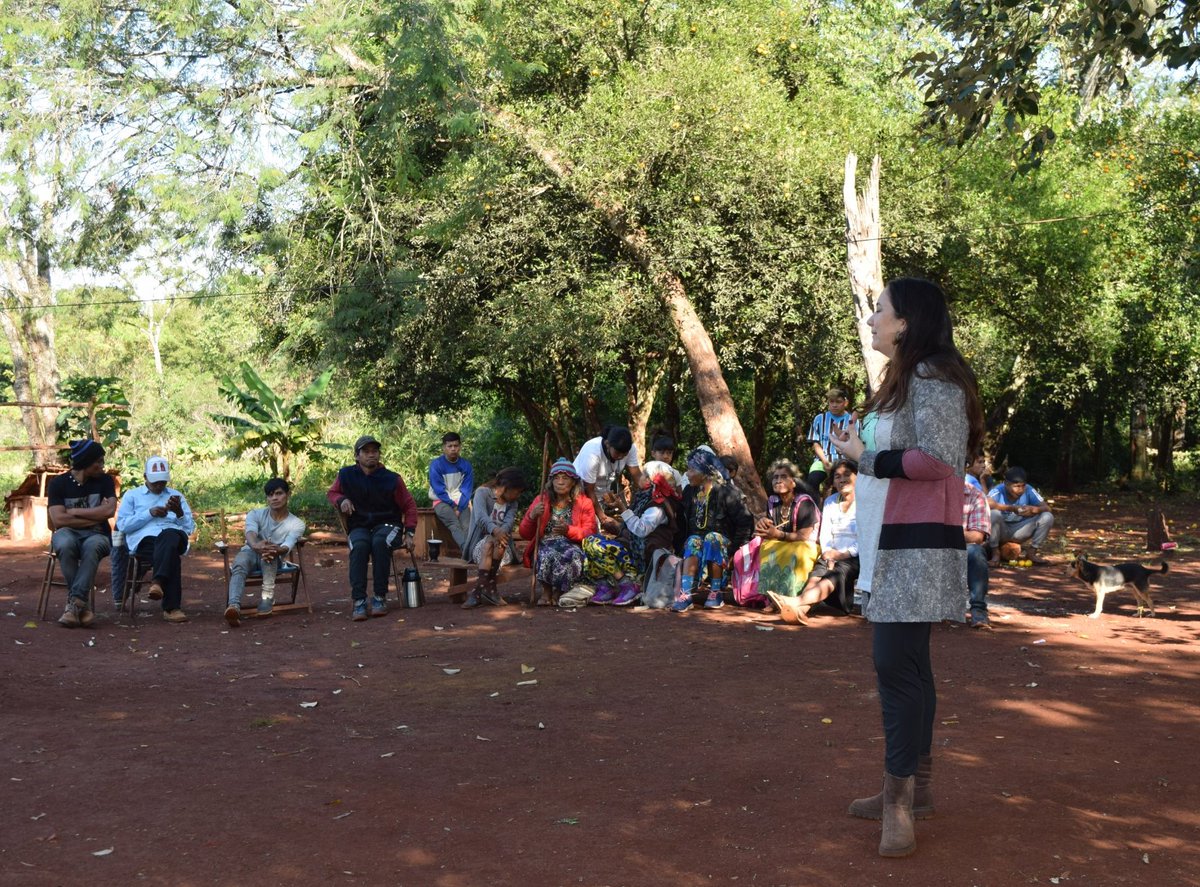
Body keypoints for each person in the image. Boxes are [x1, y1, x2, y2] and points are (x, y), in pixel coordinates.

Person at [831, 277, 984, 858]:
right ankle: (911, 792)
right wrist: (857, 451)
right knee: (909, 665)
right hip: (896, 539)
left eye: (879, 311)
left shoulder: (933, 377)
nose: (871, 320)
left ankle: (900, 803)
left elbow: (940, 460)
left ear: (906, 323)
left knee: (894, 664)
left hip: (916, 544)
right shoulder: (910, 378)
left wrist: (864, 458)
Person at [327, 435, 418, 622]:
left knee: (379, 543)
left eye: (374, 451)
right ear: (356, 456)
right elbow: (332, 492)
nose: (371, 455)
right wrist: (341, 500)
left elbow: (409, 505)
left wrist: (409, 532)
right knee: (359, 546)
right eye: (366, 452)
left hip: (388, 525)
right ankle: (359, 600)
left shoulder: (392, 479)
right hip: (359, 525)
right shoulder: (345, 475)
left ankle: (379, 597)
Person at [769, 459, 858, 624]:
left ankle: (795, 602)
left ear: (857, 477)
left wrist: (842, 554)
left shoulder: (865, 501)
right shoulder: (831, 501)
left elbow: (866, 537)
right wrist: (828, 553)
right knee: (815, 576)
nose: (842, 479)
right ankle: (801, 612)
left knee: (834, 576)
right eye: (837, 476)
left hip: (854, 556)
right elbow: (825, 533)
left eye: (847, 475)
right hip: (830, 553)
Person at [585, 460, 683, 606]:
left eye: (644, 475)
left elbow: (641, 530)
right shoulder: (644, 498)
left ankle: (628, 585)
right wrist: (618, 513)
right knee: (590, 543)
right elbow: (631, 528)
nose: (639, 477)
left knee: (593, 543)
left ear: (651, 481)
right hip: (632, 548)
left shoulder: (658, 506)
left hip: (641, 556)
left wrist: (623, 510)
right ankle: (607, 587)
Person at [671, 447, 754, 612]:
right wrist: (679, 547)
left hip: (722, 545)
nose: (687, 474)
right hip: (698, 543)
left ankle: (716, 591)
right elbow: (681, 523)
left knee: (712, 538)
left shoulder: (727, 492)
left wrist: (734, 551)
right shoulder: (689, 492)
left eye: (691, 469)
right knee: (694, 540)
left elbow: (745, 522)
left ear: (705, 471)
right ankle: (686, 594)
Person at [116, 456, 197, 623]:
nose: (160, 486)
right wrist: (149, 514)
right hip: (146, 541)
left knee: (169, 535)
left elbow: (189, 528)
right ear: (145, 477)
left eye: (163, 482)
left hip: (175, 536)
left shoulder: (176, 495)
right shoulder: (132, 496)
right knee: (170, 553)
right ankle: (172, 608)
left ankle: (157, 581)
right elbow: (123, 525)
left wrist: (179, 512)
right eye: (155, 482)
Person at [732, 459, 820, 608]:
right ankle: (769, 597)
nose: (778, 480)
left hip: (807, 545)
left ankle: (790, 599)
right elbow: (772, 527)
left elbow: (804, 536)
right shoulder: (773, 500)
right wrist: (763, 526)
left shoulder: (804, 502)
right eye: (775, 477)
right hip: (783, 543)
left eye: (783, 476)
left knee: (793, 552)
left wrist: (777, 534)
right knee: (756, 549)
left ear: (793, 482)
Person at [48, 440, 116, 628]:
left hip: (97, 534)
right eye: (99, 461)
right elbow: (58, 521)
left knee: (92, 546)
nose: (102, 466)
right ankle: (82, 607)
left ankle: (75, 603)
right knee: (64, 543)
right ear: (86, 462)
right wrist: (95, 516)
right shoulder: (58, 484)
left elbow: (109, 511)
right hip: (67, 532)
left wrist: (73, 512)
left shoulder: (105, 481)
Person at [223, 478, 306, 627]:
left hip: (275, 557)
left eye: (279, 493)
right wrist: (256, 546)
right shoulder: (255, 514)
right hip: (250, 551)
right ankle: (233, 606)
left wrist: (272, 549)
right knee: (240, 563)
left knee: (269, 557)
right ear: (267, 498)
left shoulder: (297, 523)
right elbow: (250, 532)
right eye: (270, 495)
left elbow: (287, 546)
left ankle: (267, 598)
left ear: (288, 495)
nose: (274, 498)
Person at [519, 459, 595, 606]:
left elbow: (589, 532)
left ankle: (560, 591)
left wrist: (569, 530)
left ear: (573, 482)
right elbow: (525, 534)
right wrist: (532, 516)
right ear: (551, 481)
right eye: (556, 478)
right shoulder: (541, 500)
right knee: (547, 554)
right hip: (546, 542)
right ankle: (547, 591)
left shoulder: (584, 502)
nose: (560, 482)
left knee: (572, 555)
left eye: (565, 478)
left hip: (572, 543)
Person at [460, 466, 527, 608]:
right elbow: (480, 518)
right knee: (489, 543)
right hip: (480, 547)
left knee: (497, 543)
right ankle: (490, 590)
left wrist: (499, 534)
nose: (518, 495)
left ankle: (477, 593)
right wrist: (495, 532)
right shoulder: (482, 493)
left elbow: (508, 523)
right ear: (505, 488)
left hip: (503, 549)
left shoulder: (512, 503)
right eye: (517, 491)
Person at [573, 426, 643, 533]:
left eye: (625, 454)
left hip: (598, 496)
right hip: (579, 495)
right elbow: (589, 490)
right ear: (607, 444)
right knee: (585, 532)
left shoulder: (630, 448)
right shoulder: (593, 453)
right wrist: (602, 517)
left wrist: (650, 493)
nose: (621, 457)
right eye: (618, 453)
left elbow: (637, 475)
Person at [987, 467, 1054, 565]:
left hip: (1020, 531)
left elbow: (1047, 508)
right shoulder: (998, 490)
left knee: (1048, 517)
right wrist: (1011, 508)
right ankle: (995, 553)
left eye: (1023, 486)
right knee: (994, 514)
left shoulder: (1029, 489)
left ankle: (1032, 552)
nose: (1020, 490)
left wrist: (1035, 509)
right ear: (1006, 484)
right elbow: (986, 503)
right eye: (1017, 486)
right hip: (1001, 531)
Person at [427, 432, 474, 551]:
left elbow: (467, 490)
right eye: (450, 446)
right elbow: (439, 491)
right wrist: (453, 507)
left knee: (467, 526)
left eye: (456, 445)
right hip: (441, 501)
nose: (453, 449)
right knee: (454, 524)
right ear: (444, 448)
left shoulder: (466, 465)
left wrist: (459, 508)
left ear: (460, 447)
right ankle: (468, 551)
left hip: (461, 502)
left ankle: (471, 551)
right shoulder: (436, 465)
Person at [805, 386, 854, 494]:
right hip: (822, 460)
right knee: (812, 481)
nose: (834, 405)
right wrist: (825, 462)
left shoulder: (852, 420)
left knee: (840, 487)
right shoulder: (819, 418)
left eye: (838, 402)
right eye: (831, 401)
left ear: (845, 403)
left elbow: (855, 444)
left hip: (844, 461)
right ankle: (814, 509)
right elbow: (815, 442)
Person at [963, 476, 992, 630]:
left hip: (961, 548)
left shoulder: (976, 495)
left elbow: (977, 537)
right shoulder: (929, 490)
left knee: (976, 551)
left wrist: (947, 530)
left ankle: (978, 610)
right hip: (930, 547)